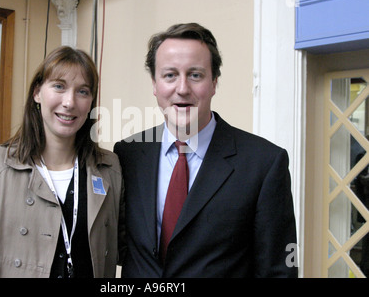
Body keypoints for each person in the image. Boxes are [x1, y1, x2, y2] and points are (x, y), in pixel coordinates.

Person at [114, 23, 298, 277]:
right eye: (170, 75)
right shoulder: (128, 155)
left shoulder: (264, 163)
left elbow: (279, 269)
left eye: (195, 75)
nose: (182, 88)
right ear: (155, 84)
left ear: (214, 83)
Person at [0, 46, 124, 278]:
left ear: (91, 102)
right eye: (59, 86)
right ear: (37, 92)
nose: (70, 102)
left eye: (83, 91)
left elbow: (128, 248)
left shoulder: (109, 167)